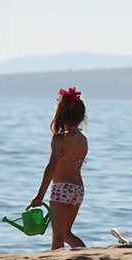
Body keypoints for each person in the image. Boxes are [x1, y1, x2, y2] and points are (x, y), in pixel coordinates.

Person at [31, 87, 88, 250]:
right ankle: (86, 254)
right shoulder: (83, 140)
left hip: (61, 188)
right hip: (78, 189)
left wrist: (40, 195)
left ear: (60, 114)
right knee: (67, 233)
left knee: (58, 236)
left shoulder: (59, 139)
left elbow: (51, 167)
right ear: (81, 117)